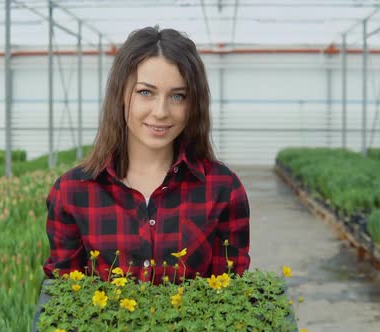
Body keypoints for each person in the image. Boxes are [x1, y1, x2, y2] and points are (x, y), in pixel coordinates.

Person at [43, 26, 250, 283]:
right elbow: (65, 299)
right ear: (120, 94)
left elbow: (231, 297)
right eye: (145, 92)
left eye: (178, 96)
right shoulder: (73, 192)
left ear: (193, 104)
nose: (161, 111)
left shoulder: (223, 189)